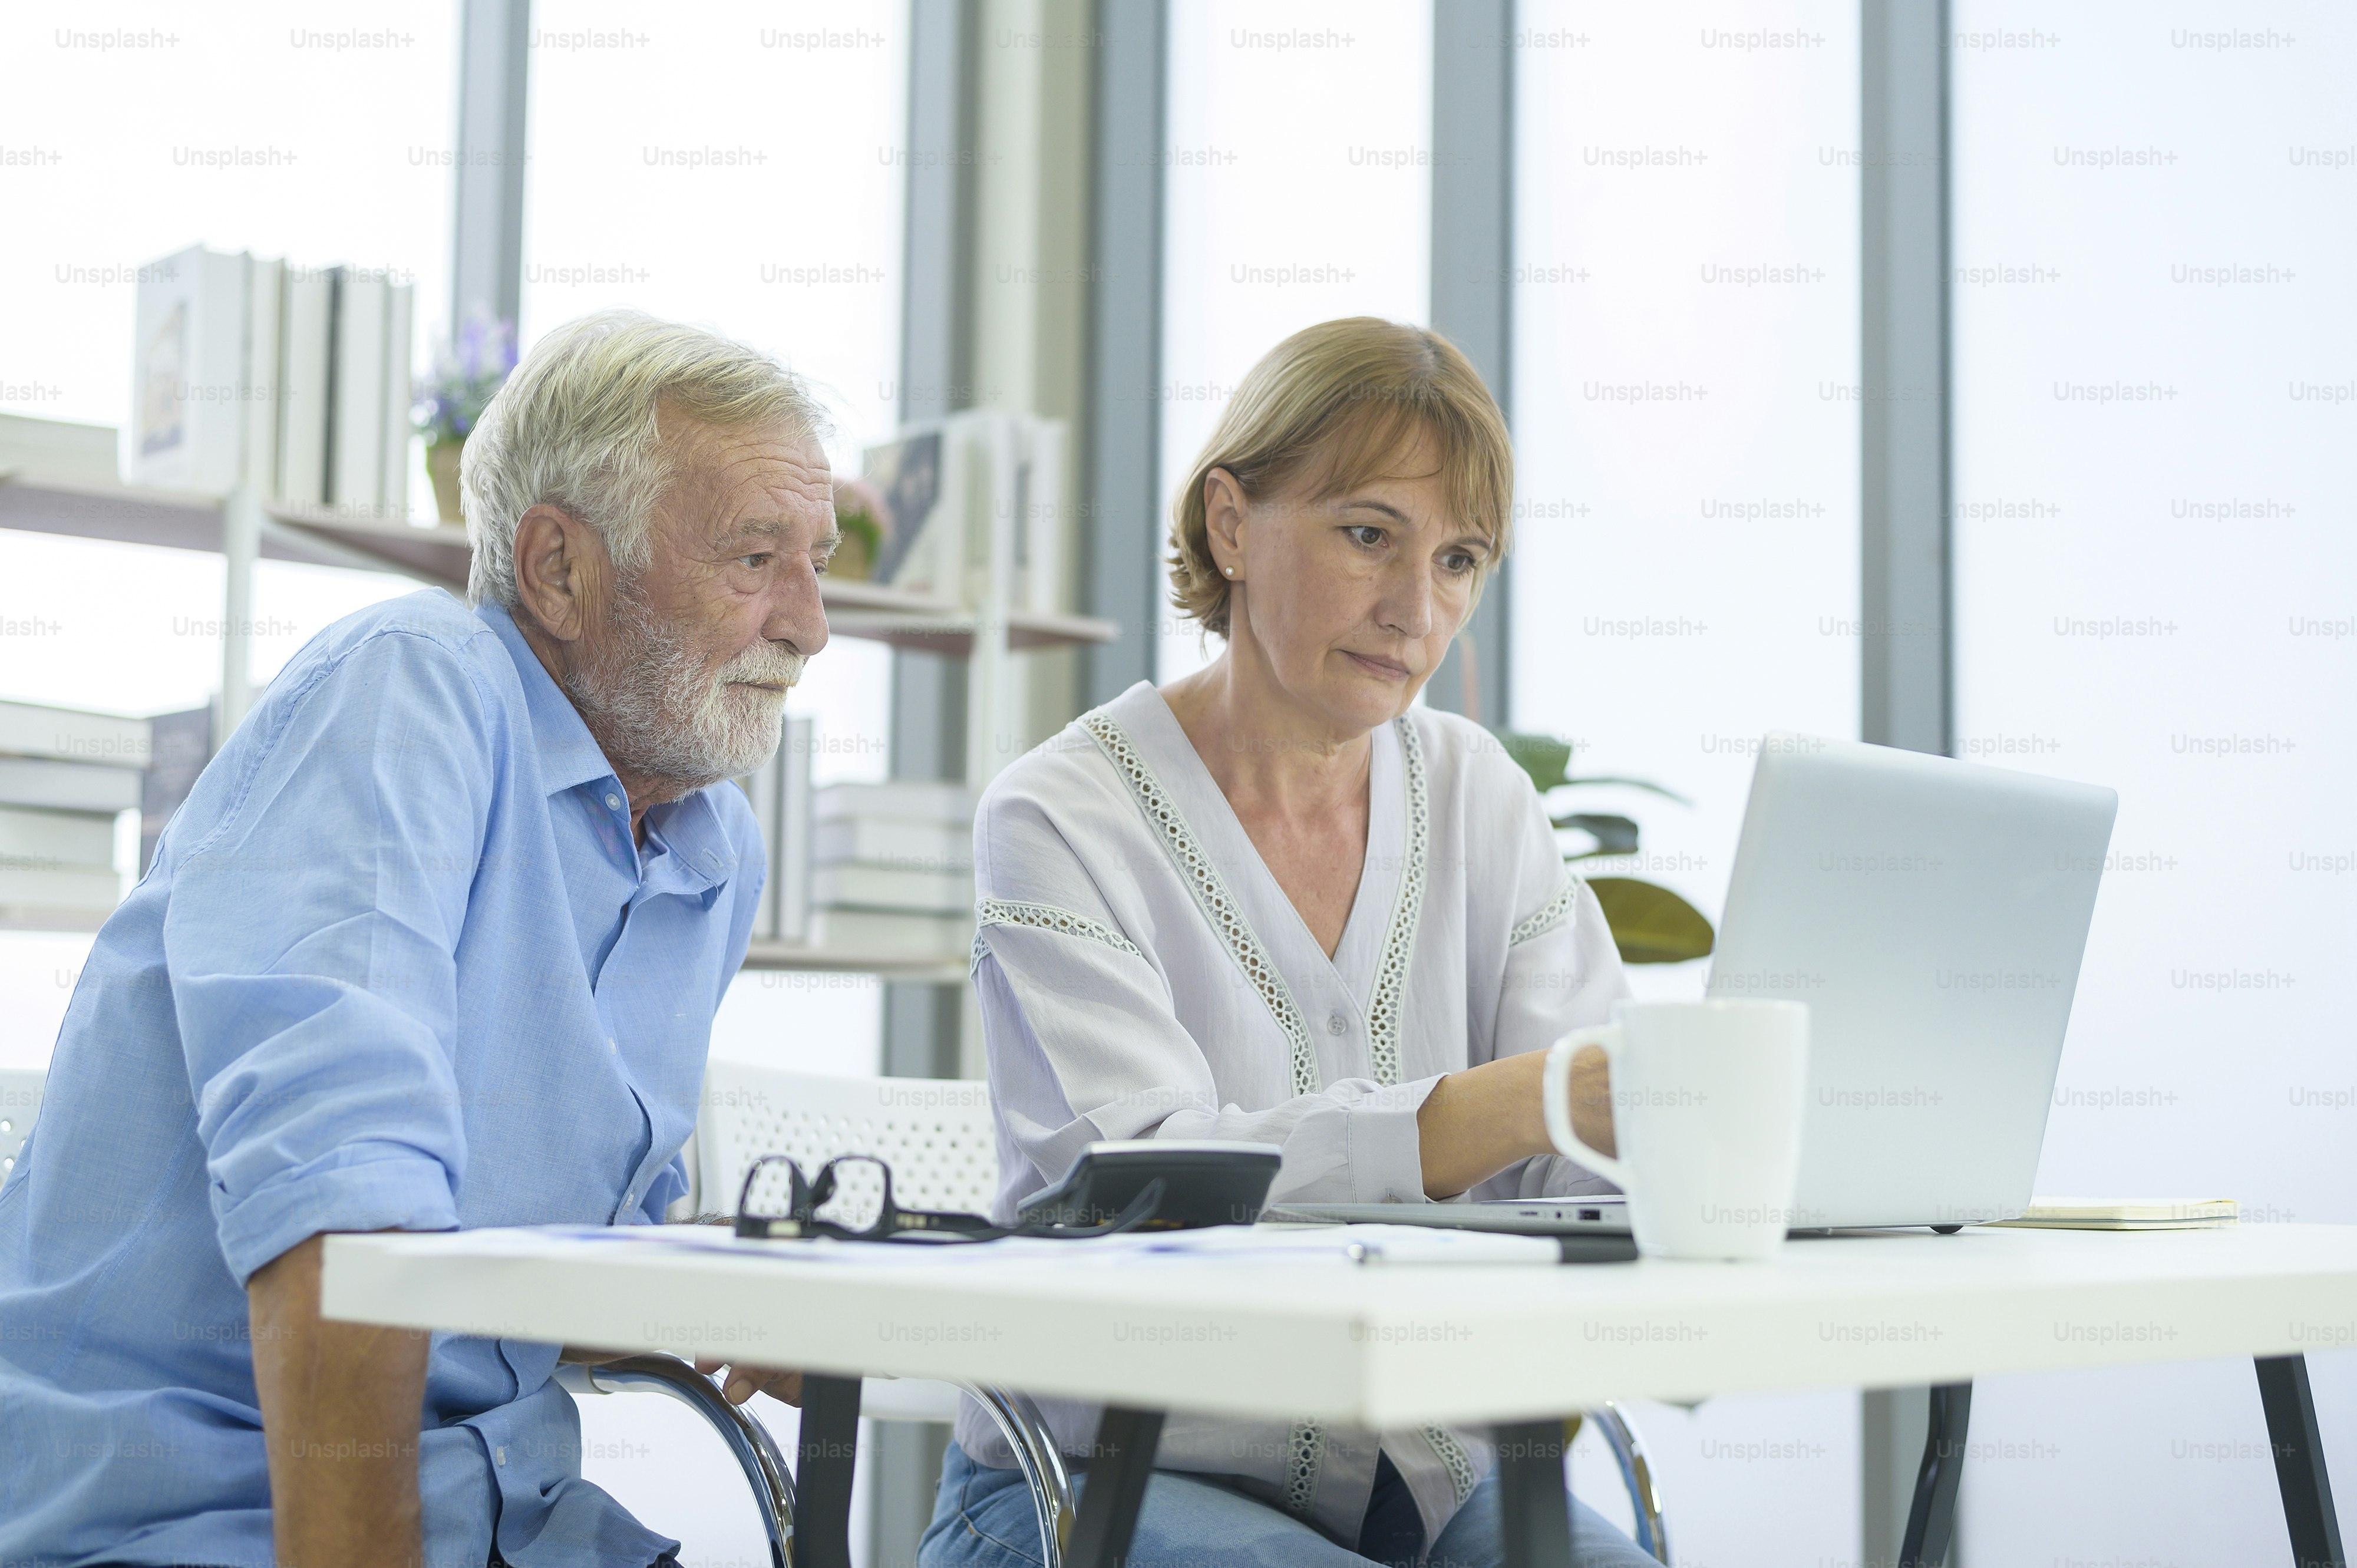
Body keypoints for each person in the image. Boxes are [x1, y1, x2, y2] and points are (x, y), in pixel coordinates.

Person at [0, 311, 823, 1568]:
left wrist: (744, 1288)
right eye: (756, 557)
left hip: (505, 1516)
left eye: (814, 562)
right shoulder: (412, 684)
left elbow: (531, 1269)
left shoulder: (711, 845)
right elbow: (339, 1190)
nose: (809, 624)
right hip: (203, 1513)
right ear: (557, 566)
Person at [918, 317, 1656, 1568]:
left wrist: (1677, 1134)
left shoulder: (1479, 796)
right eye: (1367, 533)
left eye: (1459, 559)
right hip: (1099, 1484)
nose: (1414, 610)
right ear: (1228, 524)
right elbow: (1140, 1186)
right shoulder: (1061, 813)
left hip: (1430, 1482)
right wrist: (1511, 1103)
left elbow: (1576, 1164)